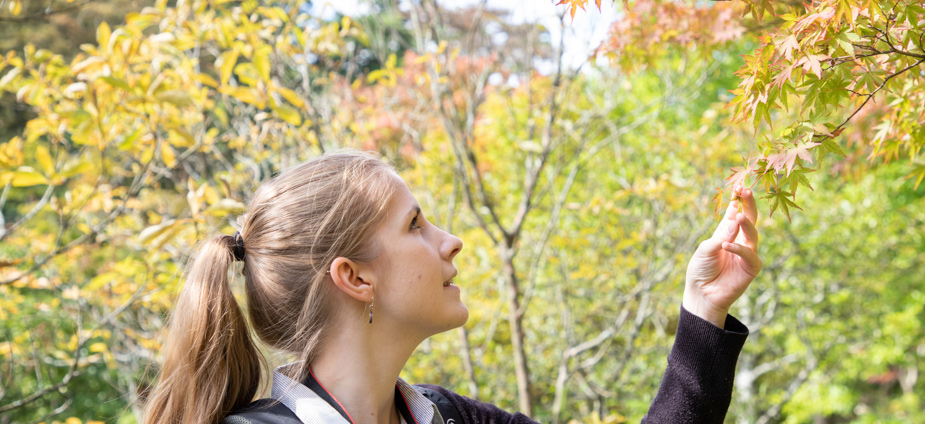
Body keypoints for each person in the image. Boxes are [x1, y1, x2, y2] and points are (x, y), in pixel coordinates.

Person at [141, 150, 762, 424]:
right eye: (415, 224)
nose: (450, 240)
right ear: (354, 278)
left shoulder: (452, 417)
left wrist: (703, 310)